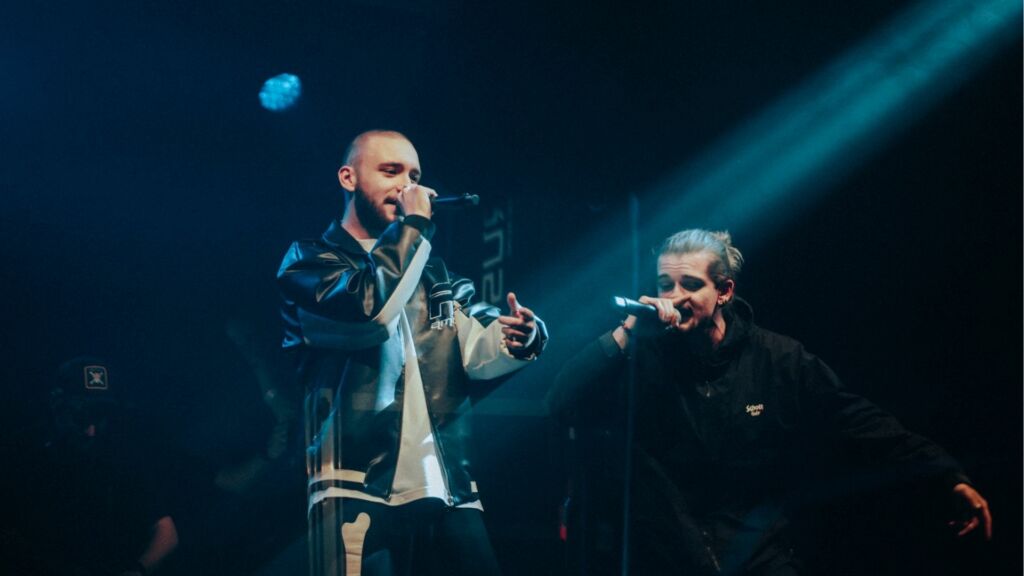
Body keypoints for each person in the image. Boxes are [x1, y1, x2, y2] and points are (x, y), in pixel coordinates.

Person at [546, 229, 991, 576]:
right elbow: (560, 400)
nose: (674, 296)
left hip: (758, 556)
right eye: (665, 284)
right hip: (666, 557)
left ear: (723, 292)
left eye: (690, 283)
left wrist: (944, 474)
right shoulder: (641, 356)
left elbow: (861, 421)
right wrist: (625, 334)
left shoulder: (779, 359)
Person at [276, 130, 547, 576]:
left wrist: (521, 336)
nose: (407, 185)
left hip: (447, 485)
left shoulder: (433, 272)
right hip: (355, 482)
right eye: (391, 171)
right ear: (348, 178)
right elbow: (370, 311)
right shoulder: (309, 262)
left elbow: (479, 347)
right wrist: (414, 227)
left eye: (415, 175)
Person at [0, 356, 179, 576]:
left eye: (101, 416)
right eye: (80, 416)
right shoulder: (20, 452)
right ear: (58, 405)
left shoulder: (117, 456)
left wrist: (136, 571)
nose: (91, 430)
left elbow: (165, 530)